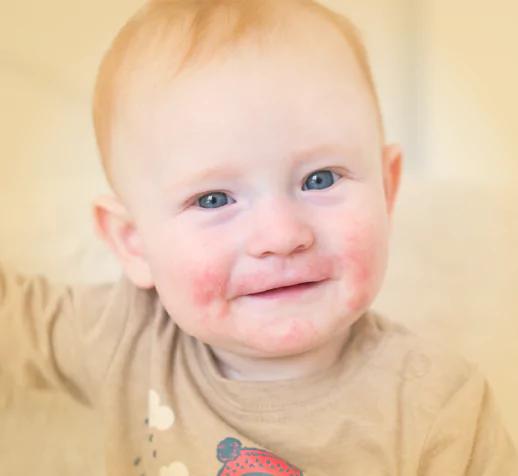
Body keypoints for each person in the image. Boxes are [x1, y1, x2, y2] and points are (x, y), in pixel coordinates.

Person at [1, 0, 517, 474]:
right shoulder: (127, 335)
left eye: (320, 179)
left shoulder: (441, 407)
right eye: (214, 199)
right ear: (134, 243)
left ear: (387, 188)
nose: (281, 236)